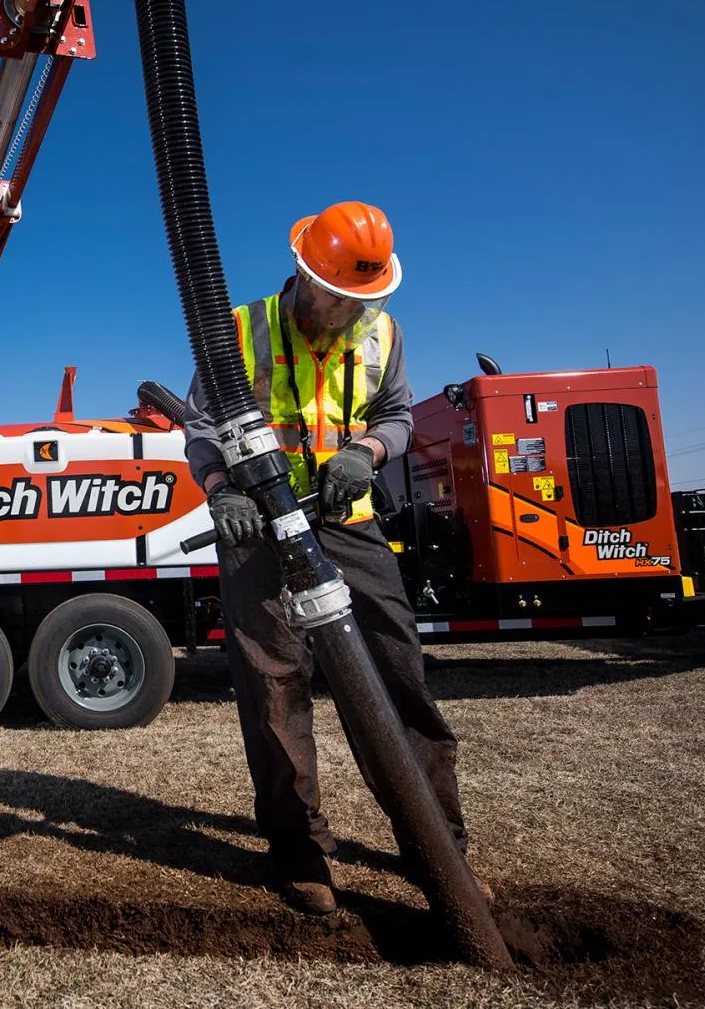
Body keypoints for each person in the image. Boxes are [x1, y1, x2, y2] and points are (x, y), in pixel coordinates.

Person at [183, 201, 479, 916]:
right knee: (274, 684)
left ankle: (439, 845)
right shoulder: (240, 329)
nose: (348, 310)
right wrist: (220, 489)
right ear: (303, 272)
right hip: (256, 525)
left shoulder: (385, 333)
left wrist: (366, 451)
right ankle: (300, 850)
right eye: (337, 295)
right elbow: (199, 424)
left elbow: (398, 417)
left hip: (346, 523)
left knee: (398, 671)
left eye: (363, 299)